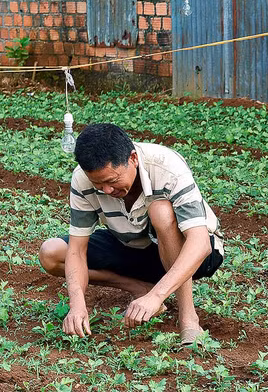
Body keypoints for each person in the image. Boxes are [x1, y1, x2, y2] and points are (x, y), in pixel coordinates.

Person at [39, 123, 224, 344]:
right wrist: (77, 306)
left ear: (133, 159)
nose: (107, 190)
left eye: (112, 181)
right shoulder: (82, 178)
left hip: (192, 254)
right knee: (51, 252)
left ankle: (188, 319)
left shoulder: (167, 166)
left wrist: (156, 297)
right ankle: (140, 288)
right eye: (98, 184)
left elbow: (200, 243)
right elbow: (77, 250)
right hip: (132, 245)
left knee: (161, 211)